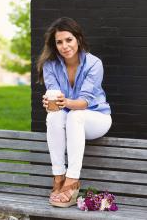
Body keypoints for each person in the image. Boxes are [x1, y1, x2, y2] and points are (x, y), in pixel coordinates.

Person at [37, 17, 112, 208]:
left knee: (75, 115)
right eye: (59, 42)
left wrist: (64, 102)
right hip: (70, 118)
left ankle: (72, 181)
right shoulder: (50, 65)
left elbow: (84, 101)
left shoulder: (94, 64)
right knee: (54, 115)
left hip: (97, 118)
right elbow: (55, 97)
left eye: (68, 40)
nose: (64, 46)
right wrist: (50, 103)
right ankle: (58, 177)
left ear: (78, 38)